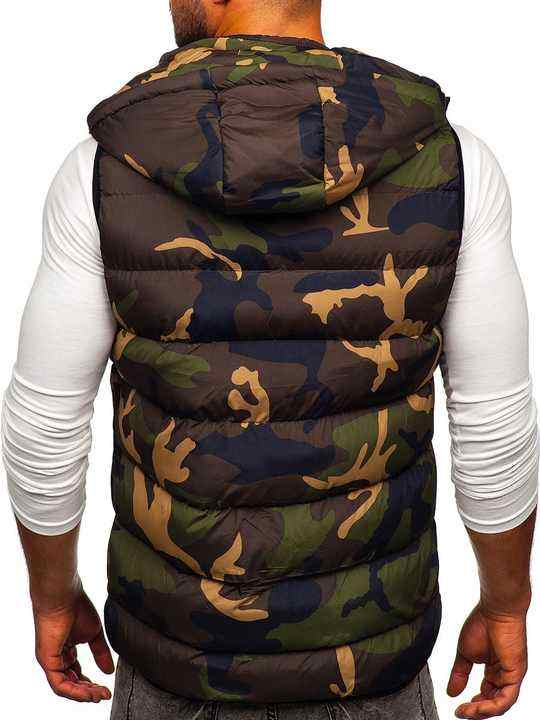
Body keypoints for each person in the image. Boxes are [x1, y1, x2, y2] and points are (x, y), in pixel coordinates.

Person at [2, 1, 538, 719]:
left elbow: (45, 422)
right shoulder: (453, 164)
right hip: (368, 663)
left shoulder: (104, 169)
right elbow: (494, 423)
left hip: (179, 665)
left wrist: (52, 595)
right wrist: (506, 603)